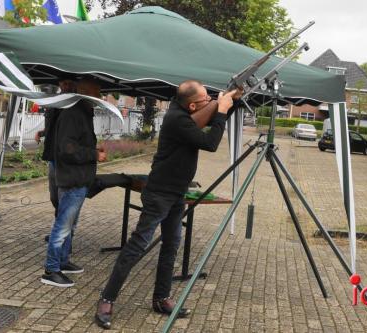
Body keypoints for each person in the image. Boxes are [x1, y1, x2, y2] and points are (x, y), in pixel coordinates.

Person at [95, 80, 240, 329]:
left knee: (171, 246)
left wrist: (231, 101)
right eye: (207, 99)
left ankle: (161, 299)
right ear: (192, 104)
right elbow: (210, 143)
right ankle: (106, 299)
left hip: (177, 192)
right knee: (136, 246)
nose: (211, 101)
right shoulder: (177, 119)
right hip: (160, 193)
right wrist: (223, 109)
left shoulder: (185, 111)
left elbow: (213, 116)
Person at [41, 78, 107, 287]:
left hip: (77, 178)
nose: (100, 98)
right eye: (98, 93)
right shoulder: (74, 114)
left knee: (70, 224)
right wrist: (94, 154)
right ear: (87, 94)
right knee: (62, 225)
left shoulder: (80, 112)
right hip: (72, 179)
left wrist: (93, 152)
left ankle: (63, 261)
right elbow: (67, 148)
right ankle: (51, 270)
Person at [36, 80, 77, 220]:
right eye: (63, 84)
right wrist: (42, 132)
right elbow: (53, 126)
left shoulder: (73, 105)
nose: (65, 86)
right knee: (54, 196)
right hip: (52, 156)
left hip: (64, 159)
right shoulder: (56, 103)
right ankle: (59, 228)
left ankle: (63, 234)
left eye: (68, 84)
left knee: (64, 197)